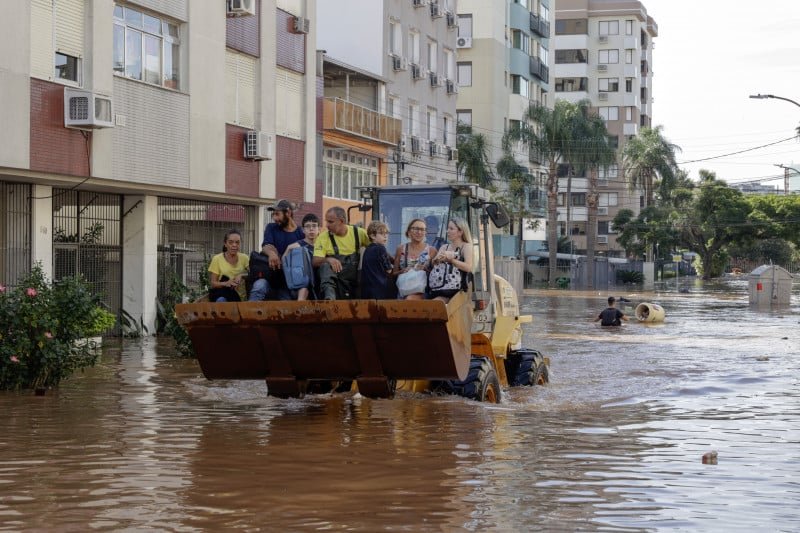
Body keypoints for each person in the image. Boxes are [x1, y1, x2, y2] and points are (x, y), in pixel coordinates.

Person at [249, 199, 304, 301]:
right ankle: (248, 316)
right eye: (273, 214)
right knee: (258, 287)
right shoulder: (271, 227)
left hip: (289, 282)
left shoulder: (301, 233)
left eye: (277, 214)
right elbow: (266, 245)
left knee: (286, 302)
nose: (274, 218)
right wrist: (272, 253)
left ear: (288, 213)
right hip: (270, 277)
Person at [313, 206, 370, 300]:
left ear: (342, 221)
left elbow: (376, 249)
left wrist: (391, 262)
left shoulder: (359, 233)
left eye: (330, 222)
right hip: (335, 285)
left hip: (352, 284)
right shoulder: (323, 237)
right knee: (325, 265)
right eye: (326, 221)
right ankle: (329, 299)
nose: (327, 225)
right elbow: (315, 261)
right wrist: (328, 259)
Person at [428, 217, 473, 302]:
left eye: (451, 229)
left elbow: (468, 267)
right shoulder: (444, 247)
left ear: (460, 232)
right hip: (441, 288)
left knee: (436, 304)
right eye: (447, 228)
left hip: (459, 290)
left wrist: (451, 260)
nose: (447, 231)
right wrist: (438, 259)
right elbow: (434, 264)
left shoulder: (466, 246)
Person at [394, 218, 437, 300]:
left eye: (422, 229)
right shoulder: (401, 249)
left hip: (424, 293)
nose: (419, 232)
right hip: (404, 291)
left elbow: (437, 275)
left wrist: (425, 269)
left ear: (425, 232)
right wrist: (402, 271)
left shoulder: (432, 250)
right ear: (409, 231)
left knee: (410, 299)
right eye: (416, 229)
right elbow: (394, 273)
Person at [283, 212, 320, 300]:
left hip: (319, 282)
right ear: (303, 230)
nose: (311, 229)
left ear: (319, 229)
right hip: (301, 285)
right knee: (303, 287)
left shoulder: (324, 245)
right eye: (307, 226)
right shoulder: (295, 246)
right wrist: (288, 250)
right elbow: (284, 264)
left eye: (314, 226)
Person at [207, 229, 249, 302]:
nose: (234, 245)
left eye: (237, 242)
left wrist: (241, 275)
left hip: (241, 298)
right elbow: (213, 283)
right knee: (221, 300)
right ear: (225, 244)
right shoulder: (217, 259)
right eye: (231, 242)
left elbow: (253, 273)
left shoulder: (245, 258)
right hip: (223, 295)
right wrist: (226, 283)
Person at [359, 221, 395, 299]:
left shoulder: (367, 249)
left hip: (367, 291)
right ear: (373, 236)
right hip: (380, 289)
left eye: (386, 233)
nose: (385, 236)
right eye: (382, 234)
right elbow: (388, 270)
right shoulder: (381, 248)